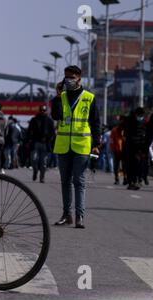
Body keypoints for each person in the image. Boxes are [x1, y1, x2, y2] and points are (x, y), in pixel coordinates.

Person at [52, 66, 101, 229]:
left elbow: (95, 122)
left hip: (82, 146)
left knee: (79, 182)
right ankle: (67, 215)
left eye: (71, 77)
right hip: (64, 146)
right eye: (66, 77)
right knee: (64, 182)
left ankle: (80, 216)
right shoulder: (62, 96)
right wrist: (57, 96)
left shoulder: (89, 98)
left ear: (79, 78)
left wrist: (96, 145)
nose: (68, 80)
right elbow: (56, 115)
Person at [27, 105, 55, 183]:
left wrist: (48, 139)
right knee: (34, 159)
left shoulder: (49, 120)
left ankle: (42, 177)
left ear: (46, 111)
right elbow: (29, 131)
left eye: (44, 110)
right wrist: (28, 141)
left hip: (45, 144)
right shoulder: (34, 119)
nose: (42, 112)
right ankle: (35, 171)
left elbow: (52, 133)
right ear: (39, 110)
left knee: (43, 162)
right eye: (41, 110)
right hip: (35, 142)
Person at [124, 108, 146, 191]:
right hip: (130, 147)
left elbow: (144, 134)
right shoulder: (129, 121)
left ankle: (136, 181)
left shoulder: (142, 122)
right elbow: (127, 135)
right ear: (136, 114)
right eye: (139, 116)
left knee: (138, 164)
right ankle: (131, 182)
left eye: (142, 116)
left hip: (139, 148)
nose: (141, 117)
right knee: (131, 165)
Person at [110, 116, 126, 185]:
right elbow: (111, 141)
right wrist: (113, 149)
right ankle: (117, 179)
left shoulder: (127, 130)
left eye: (123, 121)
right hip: (116, 151)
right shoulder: (114, 130)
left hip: (125, 151)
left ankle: (125, 178)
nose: (122, 122)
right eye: (121, 120)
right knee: (116, 166)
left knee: (125, 166)